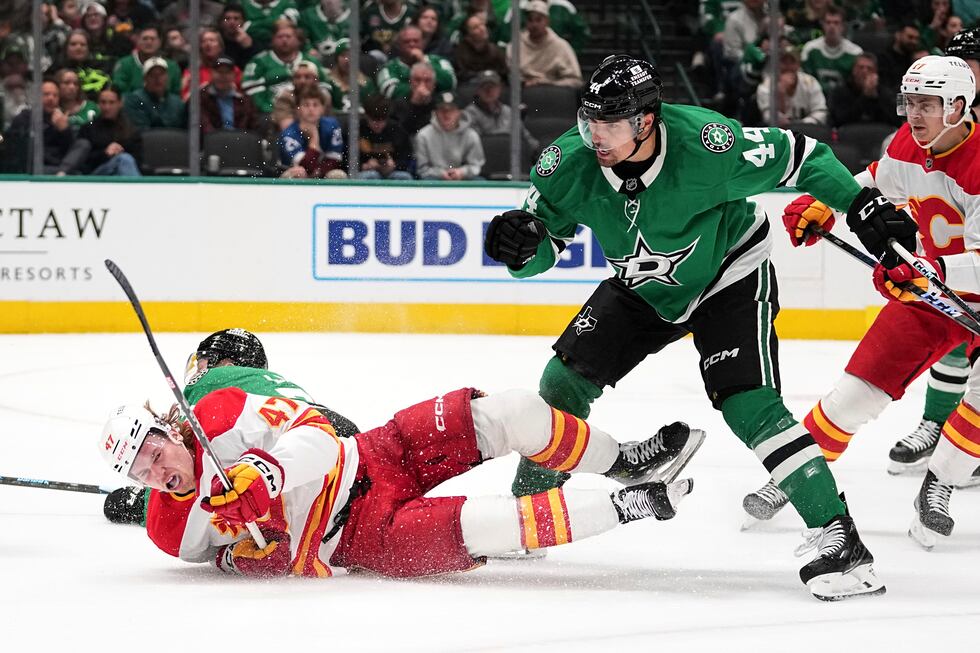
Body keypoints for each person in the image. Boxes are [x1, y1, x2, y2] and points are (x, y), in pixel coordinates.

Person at [482, 54, 899, 600]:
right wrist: (520, 249)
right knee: (561, 383)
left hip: (729, 272)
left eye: (610, 123)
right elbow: (542, 249)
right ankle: (529, 514)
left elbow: (804, 155)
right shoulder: (567, 163)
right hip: (643, 285)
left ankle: (841, 541)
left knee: (748, 404)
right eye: (589, 120)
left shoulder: (708, 143)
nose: (595, 135)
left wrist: (861, 202)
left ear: (647, 120)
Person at [99, 382, 701, 577]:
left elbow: (316, 431)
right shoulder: (168, 530)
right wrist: (255, 544)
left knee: (508, 409)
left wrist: (265, 473)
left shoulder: (223, 414)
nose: (156, 468)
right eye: (141, 470)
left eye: (153, 449)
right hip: (365, 537)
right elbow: (249, 563)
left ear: (166, 430)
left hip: (374, 454)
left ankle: (626, 459)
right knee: (491, 525)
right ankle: (635, 504)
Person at [745, 55, 980, 551]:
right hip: (931, 292)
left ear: (959, 105)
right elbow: (873, 183)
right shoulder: (906, 145)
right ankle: (797, 473)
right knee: (856, 392)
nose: (915, 115)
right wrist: (826, 202)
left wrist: (932, 272)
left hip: (958, 288)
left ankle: (939, 484)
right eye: (909, 102)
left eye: (928, 104)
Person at [104, 328, 361, 526]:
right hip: (341, 443)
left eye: (203, 363)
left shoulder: (216, 380)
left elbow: (192, 443)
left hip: (318, 458)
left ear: (227, 363)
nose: (197, 373)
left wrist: (141, 503)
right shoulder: (268, 384)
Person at [242, 20, 327, 115]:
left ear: (297, 40)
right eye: (280, 37)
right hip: (271, 114)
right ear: (272, 40)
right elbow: (253, 93)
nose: (284, 40)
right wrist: (271, 110)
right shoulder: (259, 62)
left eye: (288, 36)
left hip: (310, 113)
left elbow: (325, 88)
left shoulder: (311, 61)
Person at [508, 0, 581, 89]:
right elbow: (509, 75)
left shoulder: (561, 46)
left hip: (552, 94)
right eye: (530, 20)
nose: (534, 24)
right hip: (523, 92)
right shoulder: (515, 45)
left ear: (547, 21)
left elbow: (575, 80)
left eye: (538, 20)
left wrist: (547, 83)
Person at [277, 86, 346, 179]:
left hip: (320, 173)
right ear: (298, 109)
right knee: (299, 173)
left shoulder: (332, 125)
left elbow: (334, 162)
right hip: (292, 173)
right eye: (306, 105)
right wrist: (314, 137)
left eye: (315, 105)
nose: (311, 109)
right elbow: (305, 166)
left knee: (337, 174)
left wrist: (319, 171)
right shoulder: (288, 134)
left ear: (322, 109)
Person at [464, 69, 539, 153]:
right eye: (484, 87)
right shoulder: (469, 114)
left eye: (492, 86)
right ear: (477, 90)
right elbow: (477, 146)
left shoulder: (509, 112)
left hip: (511, 158)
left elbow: (528, 140)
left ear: (500, 89)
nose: (488, 91)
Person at [415, 91, 485, 181]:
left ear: (459, 112)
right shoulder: (423, 135)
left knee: (479, 182)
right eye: (442, 109)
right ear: (435, 113)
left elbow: (476, 165)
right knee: (428, 181)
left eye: (451, 109)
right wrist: (440, 173)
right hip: (434, 178)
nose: (446, 114)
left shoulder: (471, 135)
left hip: (464, 178)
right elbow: (422, 168)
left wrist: (461, 172)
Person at [73, 85, 142, 176]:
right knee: (123, 159)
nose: (107, 107)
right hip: (96, 176)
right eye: (103, 102)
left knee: (124, 160)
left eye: (111, 102)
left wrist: (120, 151)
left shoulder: (131, 130)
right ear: (98, 104)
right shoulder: (88, 129)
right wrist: (105, 153)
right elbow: (82, 162)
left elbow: (139, 161)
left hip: (122, 172)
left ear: (120, 103)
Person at [377, 25, 457, 100]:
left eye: (416, 41)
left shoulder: (439, 61)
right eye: (406, 42)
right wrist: (424, 89)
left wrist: (424, 61)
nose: (412, 44)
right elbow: (389, 90)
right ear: (399, 45)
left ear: (423, 43)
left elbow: (451, 83)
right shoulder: (389, 67)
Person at [800, 4, 863, 96]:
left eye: (836, 23)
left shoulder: (855, 53)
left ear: (843, 26)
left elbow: (857, 86)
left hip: (845, 102)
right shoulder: (810, 49)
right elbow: (805, 83)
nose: (832, 26)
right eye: (828, 22)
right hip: (815, 99)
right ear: (822, 24)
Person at [757, 47, 828, 126]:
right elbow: (768, 116)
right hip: (779, 132)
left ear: (798, 64)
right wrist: (781, 95)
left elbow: (821, 112)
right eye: (784, 62)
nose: (788, 67)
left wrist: (802, 124)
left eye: (792, 62)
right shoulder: (766, 85)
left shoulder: (810, 82)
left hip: (807, 130)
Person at [828, 52, 900, 127]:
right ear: (853, 70)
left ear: (875, 73)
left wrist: (874, 97)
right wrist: (865, 97)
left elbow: (894, 120)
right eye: (860, 67)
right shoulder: (840, 91)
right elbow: (840, 120)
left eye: (869, 68)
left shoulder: (884, 92)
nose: (864, 71)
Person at [111, 25, 182, 96]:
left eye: (153, 39)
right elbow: (120, 93)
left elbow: (176, 95)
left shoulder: (172, 67)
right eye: (145, 39)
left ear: (160, 42)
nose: (149, 42)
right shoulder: (124, 64)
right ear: (137, 41)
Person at [356, 94, 414, 180]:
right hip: (367, 172)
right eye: (374, 120)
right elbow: (347, 159)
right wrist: (364, 165)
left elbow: (407, 157)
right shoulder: (358, 130)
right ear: (366, 116)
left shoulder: (397, 130)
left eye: (382, 120)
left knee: (404, 177)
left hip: (393, 172)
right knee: (370, 176)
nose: (378, 125)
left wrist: (395, 165)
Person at [122, 57, 187, 129]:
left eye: (161, 74)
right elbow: (141, 131)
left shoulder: (177, 103)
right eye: (152, 75)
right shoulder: (135, 100)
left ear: (167, 77)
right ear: (145, 78)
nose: (157, 78)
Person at [200, 56, 260, 134]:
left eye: (227, 72)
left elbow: (254, 127)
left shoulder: (245, 100)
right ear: (211, 73)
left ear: (234, 75)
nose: (223, 76)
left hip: (240, 142)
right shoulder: (201, 97)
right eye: (219, 72)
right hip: (211, 142)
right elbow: (204, 126)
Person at [453, 12, 508, 85]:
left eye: (482, 24)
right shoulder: (460, 53)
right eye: (475, 27)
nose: (482, 29)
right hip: (471, 91)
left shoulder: (495, 50)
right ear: (467, 36)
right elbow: (462, 76)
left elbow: (504, 74)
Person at [390, 60, 439, 136]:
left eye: (427, 80)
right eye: (417, 80)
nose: (422, 85)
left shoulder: (440, 103)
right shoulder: (399, 104)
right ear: (410, 82)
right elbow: (400, 133)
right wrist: (414, 104)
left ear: (434, 83)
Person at [217, 4, 260, 69]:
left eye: (236, 19)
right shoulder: (216, 42)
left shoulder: (251, 42)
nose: (232, 22)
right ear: (221, 22)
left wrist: (248, 48)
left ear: (243, 22)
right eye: (227, 19)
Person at [56, 67, 99, 131]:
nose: (72, 87)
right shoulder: (52, 110)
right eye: (66, 83)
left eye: (75, 84)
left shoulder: (91, 108)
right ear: (57, 85)